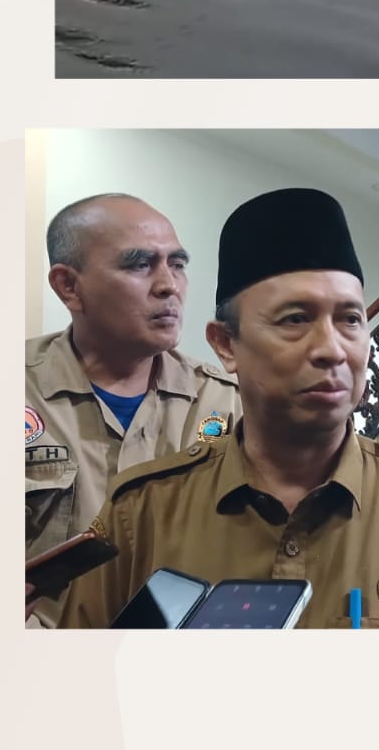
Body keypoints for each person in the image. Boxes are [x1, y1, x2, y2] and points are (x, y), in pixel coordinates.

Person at [50, 188, 379, 629]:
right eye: (295, 319)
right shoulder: (143, 512)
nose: (332, 350)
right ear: (226, 344)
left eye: (350, 319)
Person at [26, 194, 241, 562]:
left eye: (177, 264)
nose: (169, 286)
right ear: (68, 286)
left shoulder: (226, 401)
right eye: (141, 264)